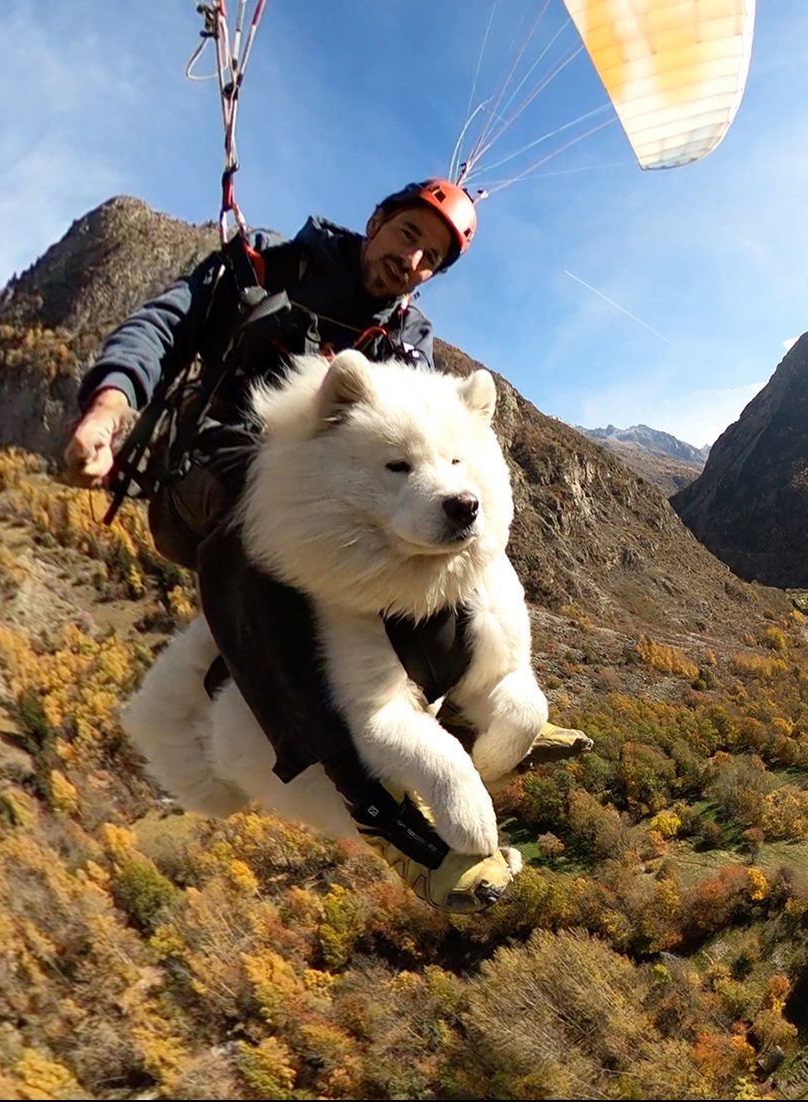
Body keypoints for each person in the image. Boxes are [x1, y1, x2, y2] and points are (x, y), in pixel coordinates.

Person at [63, 179, 583, 910]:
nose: (412, 262)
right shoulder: (267, 266)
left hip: (343, 509)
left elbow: (423, 466)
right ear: (376, 222)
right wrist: (108, 409)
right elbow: (161, 327)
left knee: (449, 544)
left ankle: (484, 699)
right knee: (260, 550)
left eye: (431, 257)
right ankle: (366, 799)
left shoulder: (409, 347)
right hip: (215, 486)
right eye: (408, 236)